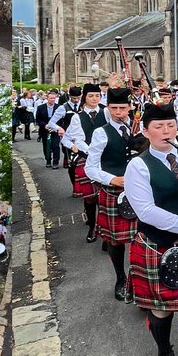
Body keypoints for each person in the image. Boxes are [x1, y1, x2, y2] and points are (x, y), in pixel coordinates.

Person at [123, 103, 178, 356]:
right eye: (159, 127)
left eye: (171, 126)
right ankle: (164, 350)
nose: (167, 131)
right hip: (158, 243)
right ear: (146, 131)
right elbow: (147, 212)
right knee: (163, 308)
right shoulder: (138, 167)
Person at [85, 87, 138, 301]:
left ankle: (138, 281)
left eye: (122, 108)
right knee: (116, 241)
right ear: (108, 108)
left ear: (129, 108)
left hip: (139, 192)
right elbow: (90, 168)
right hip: (113, 192)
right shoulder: (101, 133)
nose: (118, 112)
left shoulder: (138, 128)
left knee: (140, 239)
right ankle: (120, 278)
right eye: (114, 108)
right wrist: (113, 179)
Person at [61, 83, 106, 241]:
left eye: (97, 95)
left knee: (105, 198)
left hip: (107, 159)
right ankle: (92, 227)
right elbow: (78, 139)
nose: (94, 99)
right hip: (88, 159)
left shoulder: (106, 112)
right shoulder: (77, 117)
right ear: (84, 98)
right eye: (91, 96)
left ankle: (105, 231)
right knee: (90, 198)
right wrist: (91, 151)